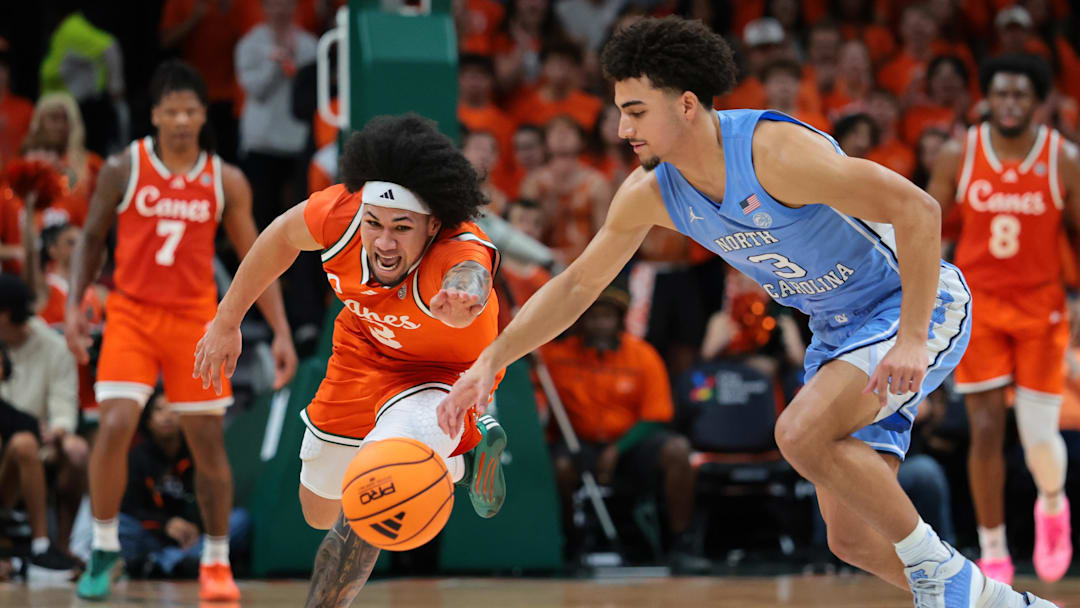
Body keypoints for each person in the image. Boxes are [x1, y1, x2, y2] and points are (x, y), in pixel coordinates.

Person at [437, 16, 1054, 608]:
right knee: (852, 537)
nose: (622, 129)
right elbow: (576, 287)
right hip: (837, 330)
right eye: (620, 112)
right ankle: (998, 601)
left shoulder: (773, 152)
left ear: (685, 104)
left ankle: (941, 575)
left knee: (798, 432)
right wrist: (492, 358)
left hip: (910, 302)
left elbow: (919, 210)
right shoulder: (651, 192)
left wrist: (914, 337)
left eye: (635, 111)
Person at [193, 113, 510, 608]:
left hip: (444, 377)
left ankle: (452, 447)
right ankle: (464, 451)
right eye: (375, 224)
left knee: (374, 495)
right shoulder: (339, 213)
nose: (384, 242)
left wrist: (466, 295)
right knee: (319, 508)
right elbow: (278, 236)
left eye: (401, 228)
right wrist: (226, 320)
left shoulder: (456, 250)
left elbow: (473, 273)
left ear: (431, 225)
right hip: (363, 354)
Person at [65, 60, 297, 601]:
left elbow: (258, 255)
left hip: (196, 319)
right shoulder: (125, 167)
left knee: (207, 441)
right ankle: (103, 547)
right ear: (154, 115)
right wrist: (77, 299)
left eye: (190, 109)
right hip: (131, 312)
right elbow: (92, 237)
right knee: (117, 421)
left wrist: (281, 331)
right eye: (170, 110)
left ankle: (215, 562)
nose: (181, 119)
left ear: (201, 115)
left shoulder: (226, 179)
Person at [926, 54, 1080, 586]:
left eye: (1021, 95)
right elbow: (929, 226)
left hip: (1043, 308)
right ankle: (993, 552)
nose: (1010, 104)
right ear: (987, 100)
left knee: (1039, 437)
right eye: (1001, 94)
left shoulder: (1064, 159)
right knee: (985, 430)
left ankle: (1053, 507)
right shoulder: (958, 154)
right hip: (980, 308)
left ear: (1039, 102)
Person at [543, 282, 709, 572]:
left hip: (630, 446)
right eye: (592, 317)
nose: (599, 324)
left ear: (620, 320)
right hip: (577, 443)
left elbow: (657, 414)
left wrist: (617, 450)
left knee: (678, 450)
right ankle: (567, 546)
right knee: (558, 468)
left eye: (606, 317)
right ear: (581, 321)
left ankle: (680, 545)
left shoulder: (643, 355)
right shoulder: (554, 357)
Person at [118, 392, 250, 578]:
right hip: (153, 535)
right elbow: (131, 507)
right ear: (148, 420)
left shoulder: (198, 455)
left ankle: (165, 563)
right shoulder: (136, 457)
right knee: (120, 524)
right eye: (159, 410)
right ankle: (178, 562)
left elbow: (212, 498)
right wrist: (165, 525)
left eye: (174, 410)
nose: (167, 416)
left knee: (240, 520)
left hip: (194, 539)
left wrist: (196, 526)